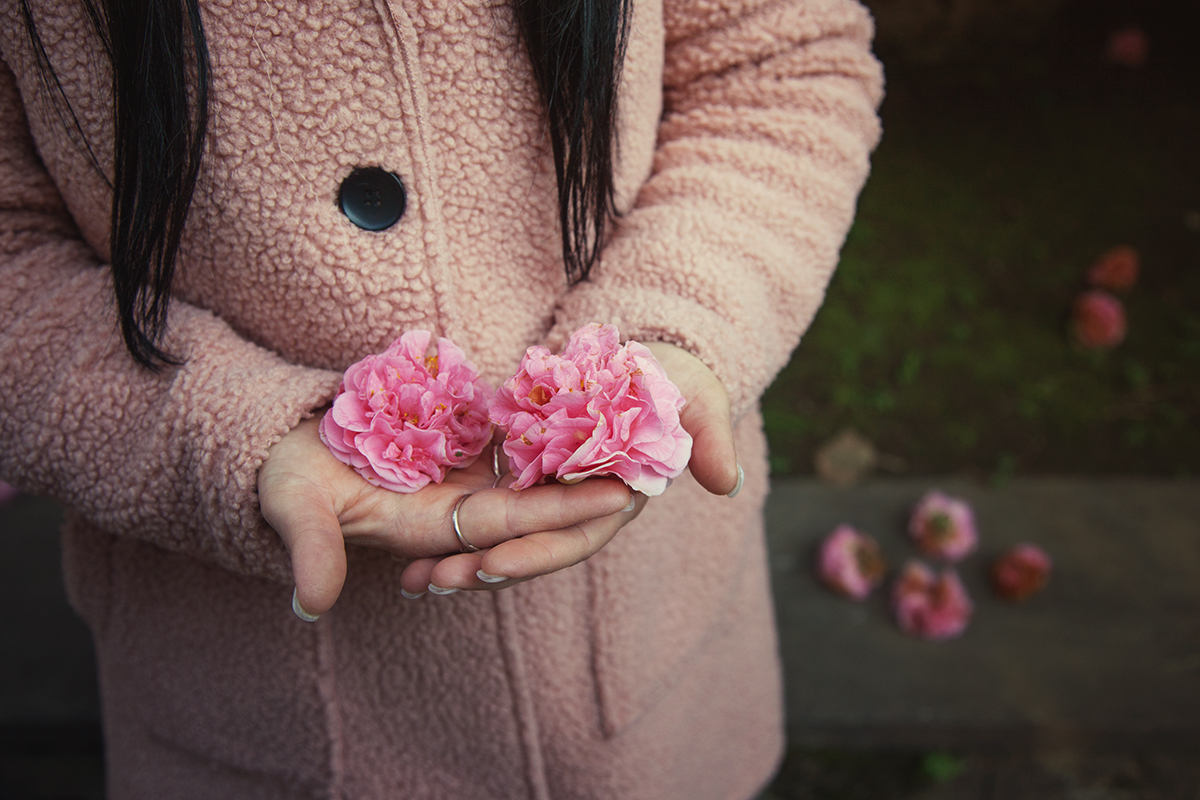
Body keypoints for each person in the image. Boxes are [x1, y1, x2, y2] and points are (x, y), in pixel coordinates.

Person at [0, 0, 882, 795]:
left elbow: (775, 62)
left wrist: (679, 321)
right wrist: (223, 431)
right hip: (244, 698)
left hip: (646, 653)